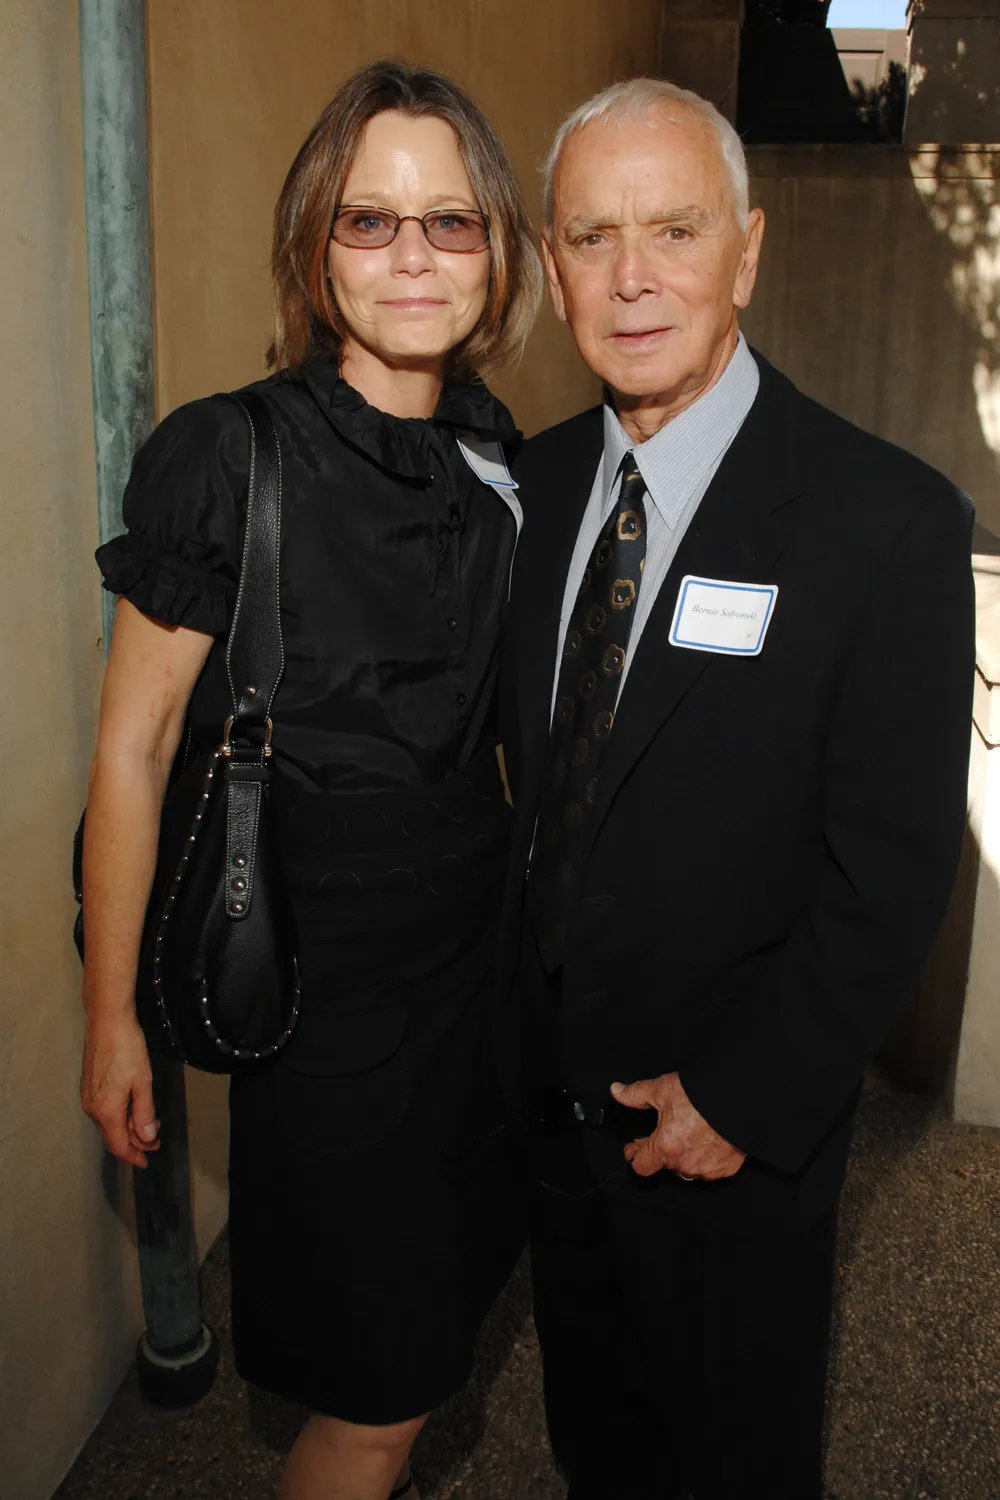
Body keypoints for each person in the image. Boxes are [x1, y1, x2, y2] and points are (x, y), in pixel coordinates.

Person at [497, 77, 974, 1500]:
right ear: (552, 265)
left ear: (748, 253)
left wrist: (747, 1096)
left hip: (727, 1131)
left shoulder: (883, 519)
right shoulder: (529, 489)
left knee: (730, 1455)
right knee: (598, 1440)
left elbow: (891, 869)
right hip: (553, 1113)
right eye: (592, 236)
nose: (633, 279)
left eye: (675, 230)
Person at [79, 60, 541, 1500]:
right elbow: (134, 750)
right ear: (311, 245)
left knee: (441, 1327)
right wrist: (111, 1019)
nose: (413, 254)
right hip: (325, 992)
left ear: (498, 251)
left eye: (451, 221)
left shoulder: (495, 449)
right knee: (380, 1392)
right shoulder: (228, 454)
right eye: (368, 220)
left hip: (477, 963)